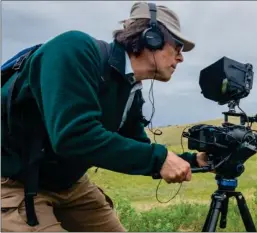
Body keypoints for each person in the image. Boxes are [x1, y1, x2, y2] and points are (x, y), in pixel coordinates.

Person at [1, 2, 209, 232]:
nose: (180, 58)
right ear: (151, 37)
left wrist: (192, 161)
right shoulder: (75, 49)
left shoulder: (131, 91)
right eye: (178, 47)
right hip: (13, 179)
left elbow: (137, 149)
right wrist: (159, 159)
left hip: (68, 182)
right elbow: (73, 136)